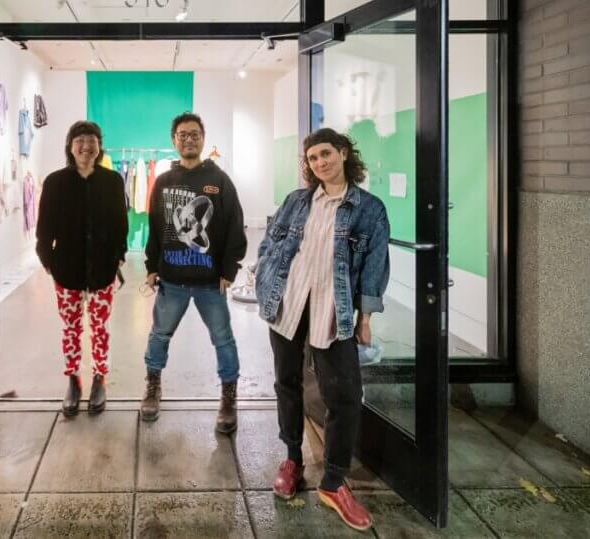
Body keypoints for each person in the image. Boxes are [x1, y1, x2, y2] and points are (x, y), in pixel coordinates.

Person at [254, 128, 389, 532]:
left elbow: (375, 265)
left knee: (343, 396)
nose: (320, 163)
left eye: (326, 154)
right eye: (312, 158)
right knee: (287, 383)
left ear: (344, 153)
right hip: (288, 305)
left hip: (335, 312)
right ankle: (292, 459)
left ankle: (333, 480)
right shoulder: (297, 201)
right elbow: (269, 246)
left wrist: (366, 317)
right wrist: (263, 277)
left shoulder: (368, 208)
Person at [141, 112, 247, 433]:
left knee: (223, 340)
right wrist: (150, 267)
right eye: (182, 134)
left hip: (209, 283)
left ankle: (229, 397)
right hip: (171, 280)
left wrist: (230, 268)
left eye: (194, 134)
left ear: (203, 138)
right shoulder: (163, 181)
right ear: (174, 140)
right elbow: (156, 229)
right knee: (159, 336)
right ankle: (152, 387)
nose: (188, 139)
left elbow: (233, 227)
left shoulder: (219, 180)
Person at [36, 121, 128, 417]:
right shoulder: (55, 182)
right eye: (80, 140)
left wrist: (119, 256)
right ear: (70, 145)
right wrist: (48, 261)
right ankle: (73, 381)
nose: (86, 146)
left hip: (103, 270)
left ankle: (99, 379)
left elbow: (120, 224)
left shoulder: (113, 181)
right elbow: (44, 228)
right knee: (71, 328)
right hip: (67, 270)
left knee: (100, 328)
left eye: (92, 140)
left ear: (99, 146)